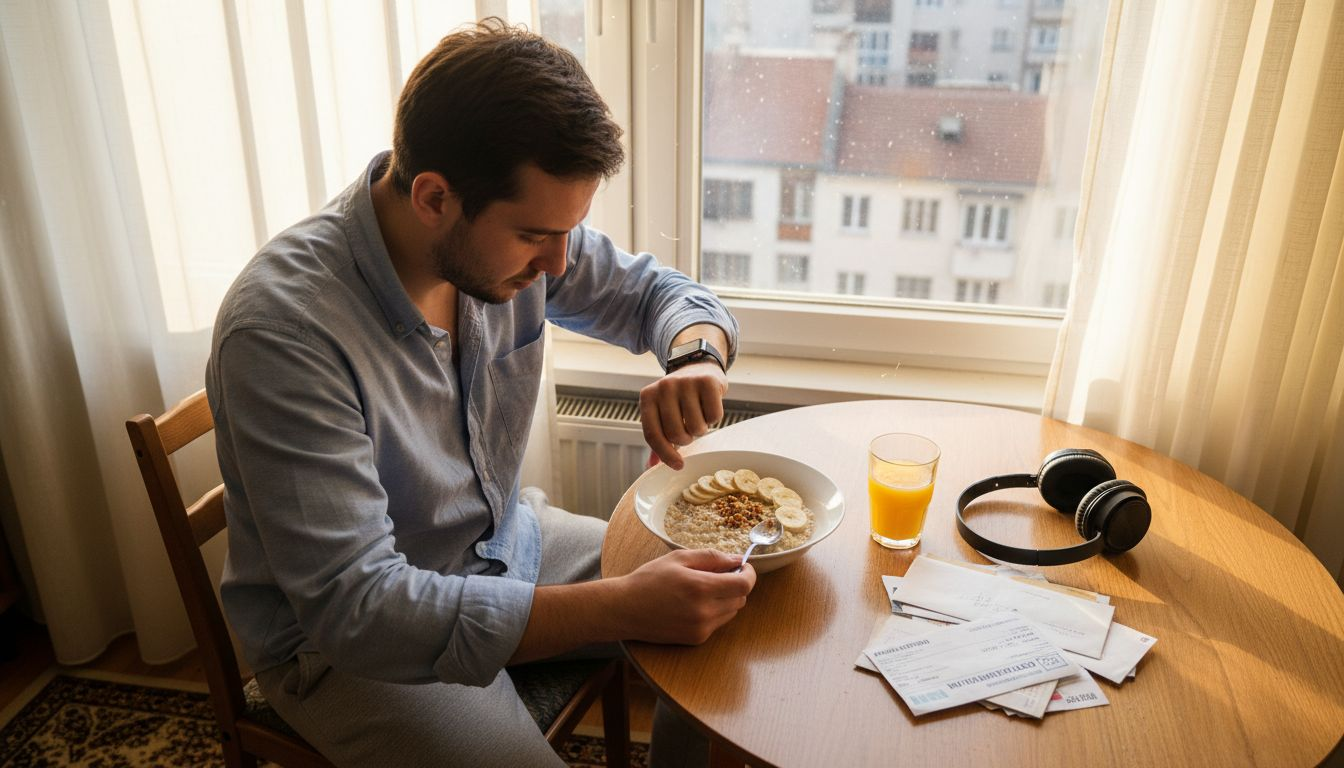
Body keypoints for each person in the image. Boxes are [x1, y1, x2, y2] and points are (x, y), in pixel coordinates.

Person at [206, 17, 753, 768]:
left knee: (729, 608)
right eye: (535, 236)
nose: (558, 263)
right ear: (434, 197)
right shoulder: (283, 333)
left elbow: (660, 294)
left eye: (570, 233)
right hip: (353, 647)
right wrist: (621, 606)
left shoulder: (512, 236)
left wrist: (696, 357)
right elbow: (357, 608)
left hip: (505, 546)